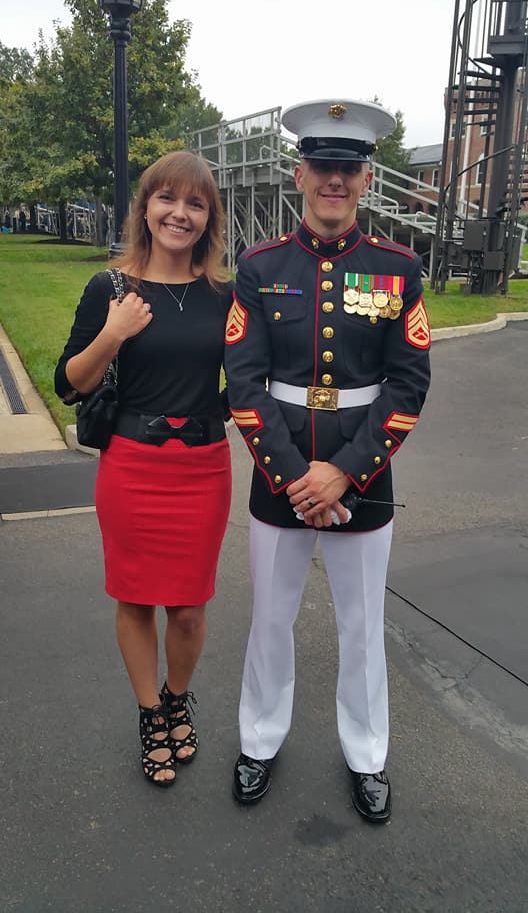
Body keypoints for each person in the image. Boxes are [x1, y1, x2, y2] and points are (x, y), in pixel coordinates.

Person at [224, 99, 431, 823]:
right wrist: (295, 478)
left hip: (363, 477)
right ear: (299, 175)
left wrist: (343, 471)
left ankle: (367, 753)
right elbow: (243, 384)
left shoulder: (398, 269)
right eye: (322, 167)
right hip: (279, 473)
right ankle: (259, 739)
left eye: (348, 168)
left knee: (363, 627)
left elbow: (408, 384)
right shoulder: (261, 266)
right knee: (270, 620)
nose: (334, 180)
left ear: (367, 179)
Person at [55, 151, 233, 787]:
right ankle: (149, 715)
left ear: (208, 218)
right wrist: (114, 332)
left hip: (204, 471)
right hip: (131, 468)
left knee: (188, 608)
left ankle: (177, 699)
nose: (179, 214)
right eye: (167, 199)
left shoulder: (224, 296)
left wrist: (213, 417)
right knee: (135, 600)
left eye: (195, 204)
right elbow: (69, 384)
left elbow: (249, 379)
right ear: (146, 207)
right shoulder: (110, 289)